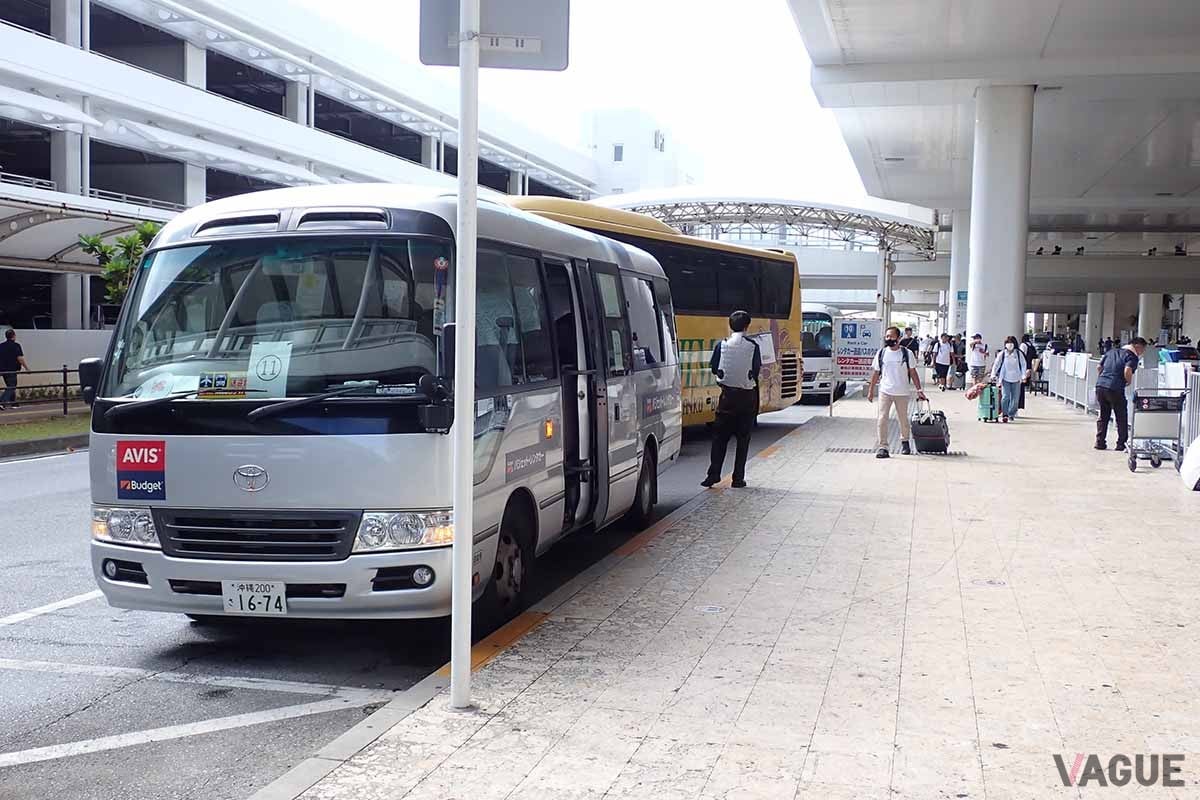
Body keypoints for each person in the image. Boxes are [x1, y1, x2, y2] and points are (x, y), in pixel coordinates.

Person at [702, 310, 762, 489]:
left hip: (726, 399)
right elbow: (756, 370)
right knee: (743, 441)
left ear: (730, 325)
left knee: (719, 438)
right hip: (747, 399)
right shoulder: (753, 346)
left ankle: (713, 475)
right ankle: (737, 479)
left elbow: (714, 367)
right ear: (746, 326)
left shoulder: (722, 345)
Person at [866, 326, 928, 459]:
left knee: (903, 419)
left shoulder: (907, 353)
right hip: (885, 391)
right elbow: (876, 373)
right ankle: (883, 446)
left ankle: (905, 441)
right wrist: (871, 390)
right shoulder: (881, 353)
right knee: (882, 418)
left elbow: (913, 372)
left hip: (902, 392)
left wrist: (919, 390)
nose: (888, 339)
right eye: (886, 336)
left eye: (891, 336)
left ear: (898, 338)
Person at [1094, 336, 1147, 451]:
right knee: (1121, 415)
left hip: (1100, 386)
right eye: (1143, 350)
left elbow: (1099, 367)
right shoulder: (1132, 356)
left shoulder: (1112, 351)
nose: (1142, 353)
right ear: (1138, 346)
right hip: (1115, 387)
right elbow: (1127, 370)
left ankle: (1100, 442)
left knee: (1103, 415)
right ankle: (1121, 444)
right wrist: (1128, 381)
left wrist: (1103, 379)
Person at [990, 335, 1031, 423]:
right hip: (1005, 378)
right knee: (1005, 397)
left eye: (1011, 343)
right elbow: (996, 364)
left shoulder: (1018, 354)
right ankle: (1005, 414)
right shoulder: (1002, 354)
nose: (1009, 345)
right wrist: (993, 374)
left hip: (1016, 379)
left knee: (1015, 399)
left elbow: (1023, 365)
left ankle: (1011, 414)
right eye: (1008, 343)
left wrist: (1024, 376)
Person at [0, 329, 29, 410]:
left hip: (2, 369)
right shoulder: (16, 345)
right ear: (13, 336)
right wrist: (27, 368)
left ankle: (14, 404)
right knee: (12, 386)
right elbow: (20, 358)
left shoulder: (1, 346)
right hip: (12, 369)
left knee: (10, 386)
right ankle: (2, 402)